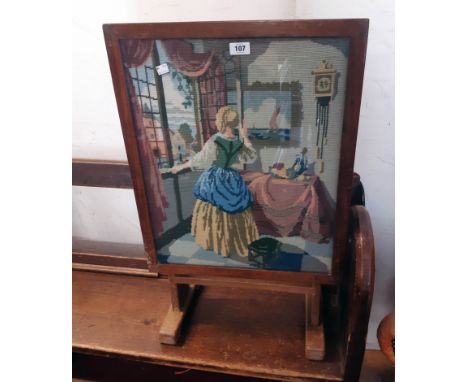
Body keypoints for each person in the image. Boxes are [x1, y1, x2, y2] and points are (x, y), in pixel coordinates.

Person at [171, 106, 259, 257]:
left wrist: (180, 166)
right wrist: (245, 136)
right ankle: (232, 242)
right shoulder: (238, 141)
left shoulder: (215, 139)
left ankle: (217, 242)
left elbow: (201, 160)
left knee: (214, 209)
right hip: (232, 177)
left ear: (221, 121)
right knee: (233, 211)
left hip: (216, 177)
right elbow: (250, 157)